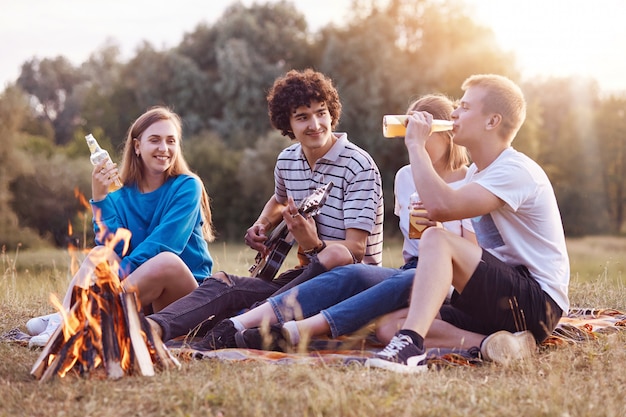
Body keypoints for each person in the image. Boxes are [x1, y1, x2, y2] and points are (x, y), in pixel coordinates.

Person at [201, 94, 475, 352]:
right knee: (350, 274)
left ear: (448, 134)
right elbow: (280, 199)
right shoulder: (406, 176)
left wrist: (438, 233)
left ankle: (295, 332)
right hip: (409, 269)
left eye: (423, 132)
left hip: (447, 275)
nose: (414, 140)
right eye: (410, 132)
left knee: (389, 279)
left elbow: (474, 258)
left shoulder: (471, 181)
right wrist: (265, 222)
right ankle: (239, 322)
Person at [145, 69, 384, 345]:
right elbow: (280, 199)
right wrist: (262, 224)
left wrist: (312, 242)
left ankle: (239, 322)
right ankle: (148, 329)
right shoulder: (287, 161)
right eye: (302, 117)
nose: (316, 124)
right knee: (223, 283)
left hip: (351, 283)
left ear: (332, 113)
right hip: (304, 276)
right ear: (288, 124)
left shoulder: (359, 166)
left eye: (321, 113)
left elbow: (355, 251)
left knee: (330, 261)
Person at [366, 74, 570, 373]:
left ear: (492, 121)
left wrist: (416, 147)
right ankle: (499, 345)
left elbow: (442, 206)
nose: (453, 114)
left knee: (437, 240)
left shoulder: (515, 169)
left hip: (536, 302)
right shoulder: (477, 173)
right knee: (388, 327)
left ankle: (409, 348)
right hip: (493, 296)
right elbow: (441, 208)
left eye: (464, 107)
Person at [27, 106, 216, 347]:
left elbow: (164, 244)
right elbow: (111, 248)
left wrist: (111, 281)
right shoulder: (118, 196)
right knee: (100, 254)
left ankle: (75, 317)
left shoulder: (187, 186)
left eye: (171, 141)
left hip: (189, 302)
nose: (164, 148)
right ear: (137, 146)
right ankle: (67, 318)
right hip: (143, 299)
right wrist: (100, 198)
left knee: (165, 260)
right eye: (155, 140)